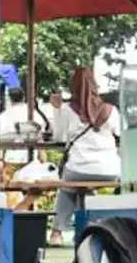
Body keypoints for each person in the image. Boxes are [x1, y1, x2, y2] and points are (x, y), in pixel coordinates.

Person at [49, 68, 122, 246]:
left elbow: (58, 137)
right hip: (111, 170)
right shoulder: (110, 110)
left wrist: (57, 110)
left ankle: (57, 232)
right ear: (95, 86)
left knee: (67, 186)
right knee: (83, 187)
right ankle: (91, 228)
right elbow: (120, 133)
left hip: (78, 169)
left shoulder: (67, 110)